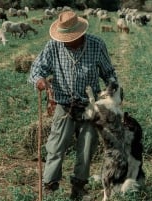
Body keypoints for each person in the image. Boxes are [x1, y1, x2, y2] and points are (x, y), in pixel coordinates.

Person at [28, 10, 119, 200]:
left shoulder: (96, 45)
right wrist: (39, 81)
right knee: (55, 147)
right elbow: (36, 69)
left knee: (86, 149)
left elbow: (109, 73)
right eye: (65, 38)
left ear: (81, 34)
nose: (67, 41)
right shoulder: (54, 46)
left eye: (71, 38)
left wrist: (111, 90)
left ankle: (79, 188)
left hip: (89, 105)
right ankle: (50, 186)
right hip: (63, 104)